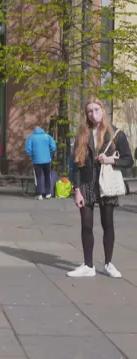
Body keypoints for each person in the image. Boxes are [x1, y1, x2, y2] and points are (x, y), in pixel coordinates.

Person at [68, 98, 133, 278]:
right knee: (86, 225)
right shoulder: (83, 134)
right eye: (89, 111)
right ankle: (88, 265)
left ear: (103, 111)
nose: (93, 114)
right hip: (87, 184)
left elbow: (129, 160)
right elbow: (76, 165)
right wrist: (77, 190)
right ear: (86, 114)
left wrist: (112, 160)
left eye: (96, 109)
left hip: (107, 184)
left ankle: (108, 263)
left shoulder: (116, 134)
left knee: (108, 224)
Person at [25, 126, 57, 200]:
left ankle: (39, 194)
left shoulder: (31, 137)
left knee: (38, 177)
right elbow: (53, 146)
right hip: (47, 160)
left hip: (37, 160)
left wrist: (32, 154)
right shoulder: (47, 136)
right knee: (47, 176)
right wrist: (50, 152)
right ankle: (48, 193)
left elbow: (28, 149)